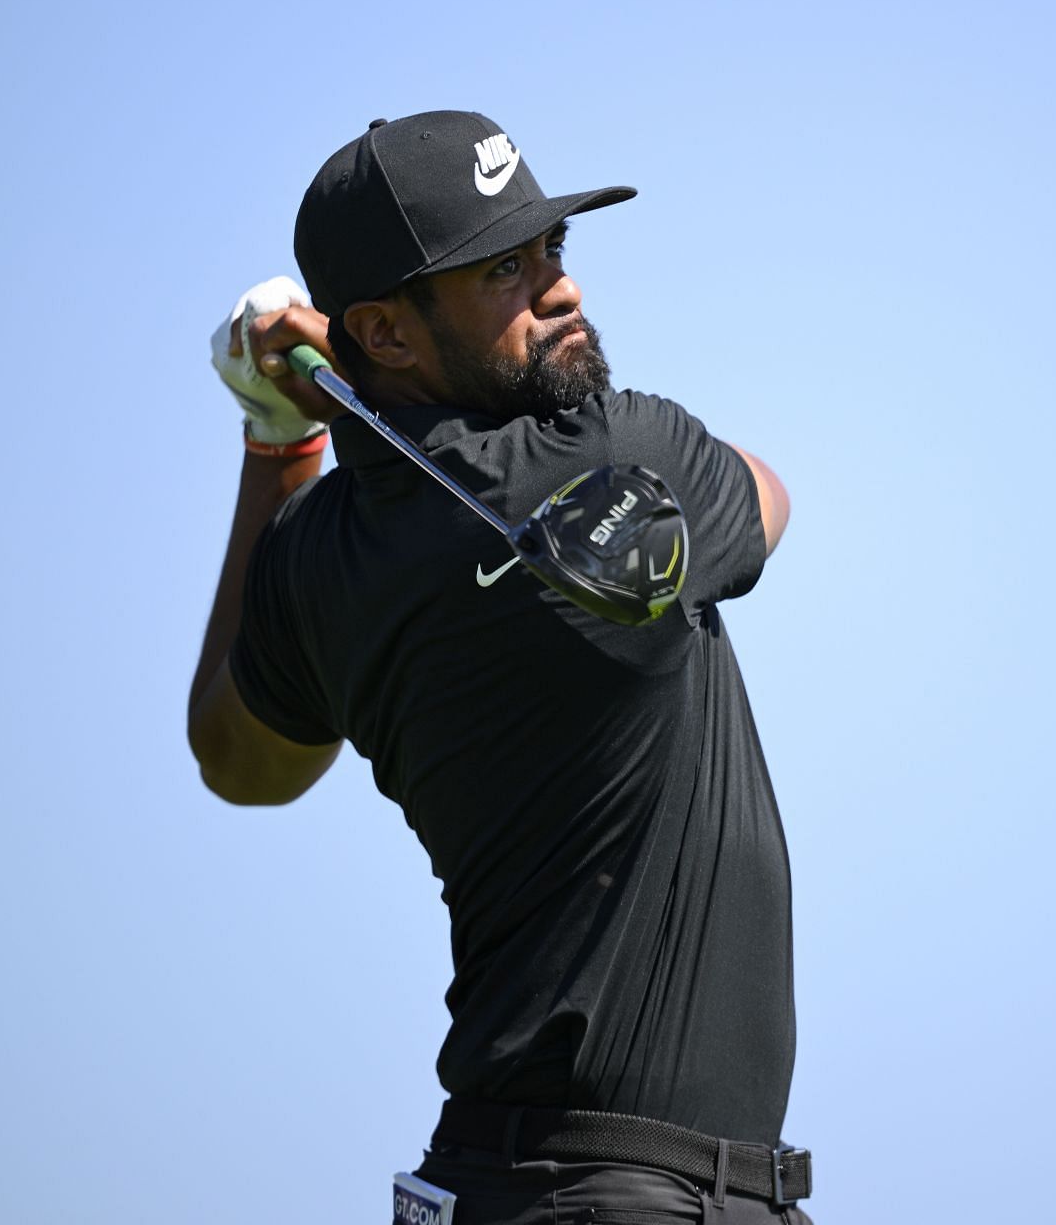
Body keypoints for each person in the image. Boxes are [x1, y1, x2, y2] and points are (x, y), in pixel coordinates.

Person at [186, 111, 812, 1224]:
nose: (558, 289)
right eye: (501, 271)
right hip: (625, 1192)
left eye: (551, 250)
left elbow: (242, 760)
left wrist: (278, 436)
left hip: (507, 1181)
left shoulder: (323, 554)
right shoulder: (621, 457)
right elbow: (768, 492)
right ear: (383, 330)